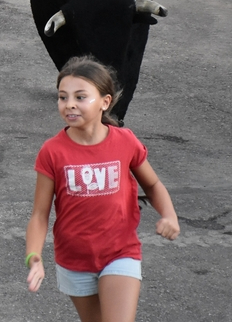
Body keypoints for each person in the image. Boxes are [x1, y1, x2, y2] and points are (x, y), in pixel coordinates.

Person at [24, 55, 179, 322]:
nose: (69, 104)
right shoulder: (52, 152)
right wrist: (34, 256)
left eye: (80, 97)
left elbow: (152, 184)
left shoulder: (125, 142)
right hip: (74, 259)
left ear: (105, 102)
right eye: (63, 97)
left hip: (120, 252)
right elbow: (40, 214)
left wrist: (169, 215)